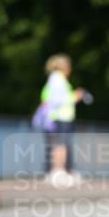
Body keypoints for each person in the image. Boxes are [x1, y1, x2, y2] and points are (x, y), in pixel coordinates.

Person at [41, 54, 85, 186]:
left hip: (59, 117)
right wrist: (75, 96)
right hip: (60, 117)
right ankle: (58, 172)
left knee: (58, 145)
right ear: (64, 67)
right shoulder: (57, 80)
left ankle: (56, 172)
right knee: (60, 145)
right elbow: (58, 100)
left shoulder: (55, 79)